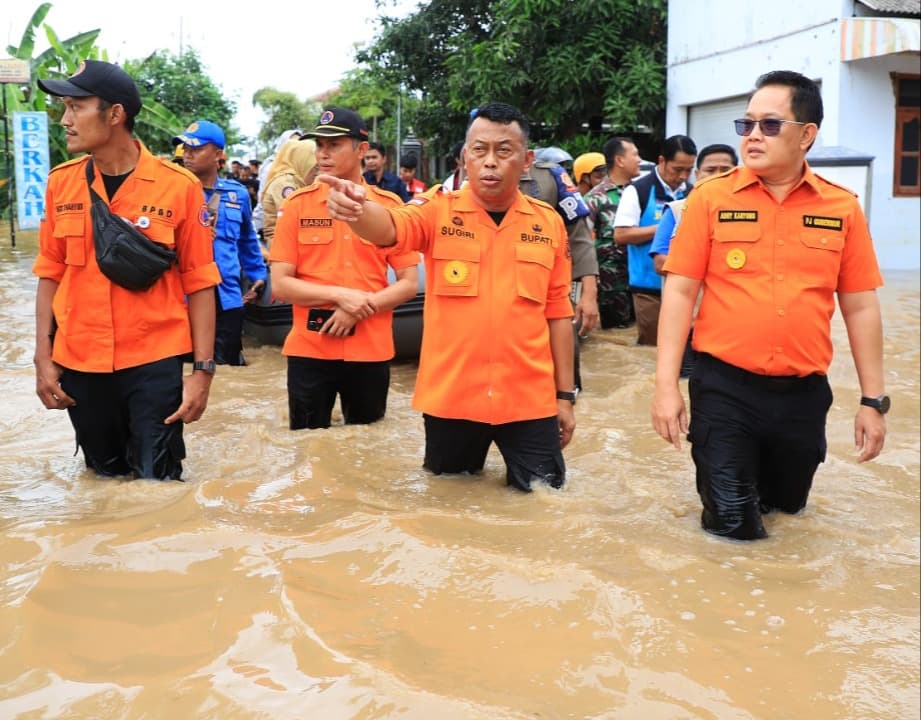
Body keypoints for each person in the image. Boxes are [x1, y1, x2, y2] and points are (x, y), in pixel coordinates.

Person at [652, 70, 888, 541]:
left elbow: (860, 307)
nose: (753, 136)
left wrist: (872, 402)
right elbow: (679, 293)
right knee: (734, 528)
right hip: (724, 388)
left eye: (769, 124)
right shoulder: (709, 200)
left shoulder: (842, 208)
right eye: (747, 125)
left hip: (802, 396)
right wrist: (664, 387)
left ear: (807, 135)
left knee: (787, 515)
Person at [320, 102, 576, 493]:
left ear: (525, 161)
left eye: (503, 151)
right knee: (447, 507)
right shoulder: (437, 210)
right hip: (453, 398)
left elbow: (558, 315)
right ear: (464, 158)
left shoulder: (549, 224)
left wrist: (564, 396)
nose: (490, 162)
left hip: (530, 400)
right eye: (479, 150)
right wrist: (358, 211)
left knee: (544, 505)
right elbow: (391, 227)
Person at [32, 59, 221, 480]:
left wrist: (202, 372)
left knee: (158, 485)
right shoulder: (61, 183)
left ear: (114, 114)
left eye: (75, 107)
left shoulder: (179, 187)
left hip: (155, 362)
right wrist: (42, 358)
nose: (65, 120)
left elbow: (201, 282)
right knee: (105, 481)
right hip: (81, 363)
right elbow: (51, 273)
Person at [268, 107, 420, 430]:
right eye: (319, 146)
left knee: (367, 451)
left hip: (370, 351)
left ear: (361, 149)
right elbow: (280, 284)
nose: (323, 154)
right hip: (309, 350)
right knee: (308, 451)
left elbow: (408, 282)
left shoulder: (388, 207)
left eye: (334, 145)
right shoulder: (296, 206)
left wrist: (360, 308)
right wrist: (341, 296)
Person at [174, 120, 267, 366]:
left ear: (218, 155)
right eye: (185, 148)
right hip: (182, 299)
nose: (188, 154)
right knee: (184, 369)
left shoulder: (236, 194)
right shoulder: (173, 192)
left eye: (196, 149)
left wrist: (258, 274)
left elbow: (247, 239)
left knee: (228, 369)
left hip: (227, 298)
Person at [649, 143, 738, 378]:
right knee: (687, 386)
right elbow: (659, 262)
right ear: (697, 175)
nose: (718, 176)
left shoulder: (750, 215)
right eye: (711, 170)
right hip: (688, 325)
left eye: (725, 169)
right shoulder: (677, 210)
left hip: (732, 329)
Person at [518, 156, 599, 392]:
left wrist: (589, 293)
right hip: (498, 301)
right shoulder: (467, 179)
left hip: (551, 295)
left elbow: (579, 236)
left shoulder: (550, 176)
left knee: (563, 375)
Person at [613, 134, 697, 345]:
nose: (683, 176)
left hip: (686, 288)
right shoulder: (637, 190)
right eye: (677, 169)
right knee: (651, 350)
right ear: (662, 161)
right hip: (648, 290)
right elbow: (621, 235)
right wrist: (667, 227)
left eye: (689, 170)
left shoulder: (695, 193)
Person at [584, 137, 643, 329]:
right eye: (635, 154)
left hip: (642, 279)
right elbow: (582, 242)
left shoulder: (641, 192)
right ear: (619, 160)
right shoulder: (595, 197)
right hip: (612, 285)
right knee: (616, 334)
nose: (639, 160)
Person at [260, 137, 319, 248]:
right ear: (302, 162)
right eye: (314, 167)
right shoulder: (285, 183)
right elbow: (298, 216)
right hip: (283, 245)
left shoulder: (297, 181)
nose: (317, 173)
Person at [253, 129, 302, 236]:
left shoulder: (301, 166)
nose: (295, 147)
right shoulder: (272, 168)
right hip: (274, 226)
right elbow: (263, 199)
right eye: (291, 144)